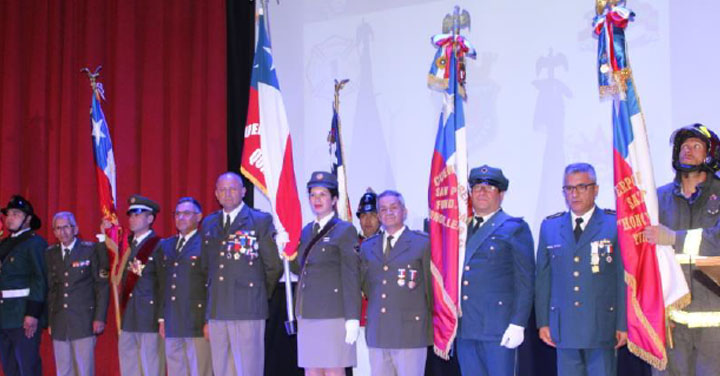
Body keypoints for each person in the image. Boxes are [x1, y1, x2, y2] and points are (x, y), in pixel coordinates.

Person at [536, 162, 627, 376]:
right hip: (563, 325)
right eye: (569, 188)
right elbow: (543, 278)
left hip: (601, 325)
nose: (574, 194)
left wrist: (623, 323)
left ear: (595, 190)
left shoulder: (614, 224)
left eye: (582, 187)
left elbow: (622, 278)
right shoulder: (550, 226)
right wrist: (543, 322)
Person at [643, 123, 720, 376]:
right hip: (671, 318)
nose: (688, 151)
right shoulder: (659, 198)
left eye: (696, 146)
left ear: (711, 154)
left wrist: (674, 237)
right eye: (684, 146)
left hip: (714, 322)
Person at [456, 165, 535, 376]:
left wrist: (518, 323)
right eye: (477, 187)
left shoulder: (514, 228)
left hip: (497, 327)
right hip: (466, 326)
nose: (482, 192)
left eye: (489, 188)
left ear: (501, 194)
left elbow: (525, 282)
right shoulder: (460, 230)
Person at [202, 172, 282, 376]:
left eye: (233, 189)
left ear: (244, 192)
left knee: (248, 370)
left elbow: (273, 266)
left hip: (248, 309)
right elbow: (206, 269)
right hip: (218, 310)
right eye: (222, 190)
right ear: (216, 194)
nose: (227, 194)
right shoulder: (209, 223)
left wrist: (258, 296)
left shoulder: (259, 220)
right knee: (221, 370)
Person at [291, 171, 361, 376]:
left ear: (334, 199)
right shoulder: (306, 231)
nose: (317, 200)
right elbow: (301, 269)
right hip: (308, 312)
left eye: (323, 194)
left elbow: (351, 275)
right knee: (312, 371)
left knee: (332, 370)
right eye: (313, 195)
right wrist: (285, 250)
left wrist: (352, 317)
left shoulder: (344, 230)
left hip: (333, 313)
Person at [359, 190, 432, 376]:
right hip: (378, 332)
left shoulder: (422, 244)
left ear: (404, 212)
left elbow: (431, 292)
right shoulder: (368, 247)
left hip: (409, 333)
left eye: (393, 207)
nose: (388, 212)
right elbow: (368, 287)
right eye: (382, 209)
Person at [46, 211, 109, 376]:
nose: (62, 232)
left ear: (75, 229)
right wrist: (51, 320)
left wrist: (99, 317)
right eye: (58, 229)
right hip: (60, 321)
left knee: (84, 370)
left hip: (83, 320)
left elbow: (101, 286)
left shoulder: (89, 250)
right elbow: (52, 290)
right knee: (63, 370)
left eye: (66, 227)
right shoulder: (50, 253)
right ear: (54, 232)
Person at [155, 197, 211, 376]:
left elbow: (211, 285)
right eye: (177, 214)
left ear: (199, 216)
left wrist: (209, 320)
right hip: (173, 321)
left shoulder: (206, 244)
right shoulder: (166, 245)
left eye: (187, 214)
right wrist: (162, 318)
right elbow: (163, 284)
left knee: (200, 371)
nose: (181, 218)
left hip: (197, 321)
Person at [116, 194, 164, 376]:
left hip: (148, 318)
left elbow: (162, 285)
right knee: (129, 368)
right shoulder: (127, 247)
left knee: (150, 367)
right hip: (128, 317)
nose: (132, 218)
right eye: (131, 214)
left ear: (150, 218)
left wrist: (161, 318)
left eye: (138, 214)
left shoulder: (158, 246)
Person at [0, 195, 48, 376]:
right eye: (8, 214)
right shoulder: (4, 244)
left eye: (16, 214)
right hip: (4, 316)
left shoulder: (35, 243)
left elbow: (40, 279)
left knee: (27, 367)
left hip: (23, 316)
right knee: (10, 368)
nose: (10, 218)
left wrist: (32, 314)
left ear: (28, 219)